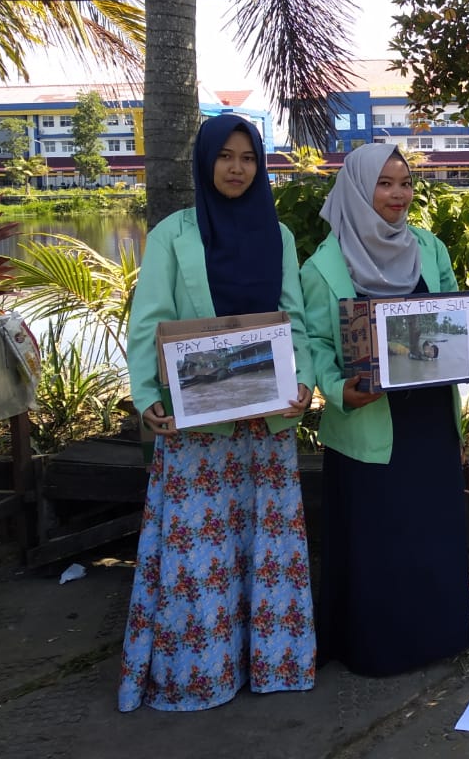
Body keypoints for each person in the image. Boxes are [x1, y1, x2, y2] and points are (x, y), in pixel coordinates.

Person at [119, 114, 315, 712]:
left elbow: (295, 317)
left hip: (266, 424)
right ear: (205, 162)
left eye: (248, 158)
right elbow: (148, 319)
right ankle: (199, 674)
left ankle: (272, 667)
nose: (236, 168)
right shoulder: (174, 233)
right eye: (225, 157)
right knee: (199, 552)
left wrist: (303, 382)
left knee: (266, 547)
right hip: (198, 425)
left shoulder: (276, 234)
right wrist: (148, 394)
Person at [300, 143, 469, 676]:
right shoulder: (323, 266)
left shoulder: (430, 248)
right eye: (385, 183)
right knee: (379, 537)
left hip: (428, 419)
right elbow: (312, 344)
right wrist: (337, 388)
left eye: (405, 183)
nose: (398, 195)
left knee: (428, 530)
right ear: (357, 188)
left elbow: (453, 318)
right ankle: (376, 648)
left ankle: (437, 637)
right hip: (368, 419)